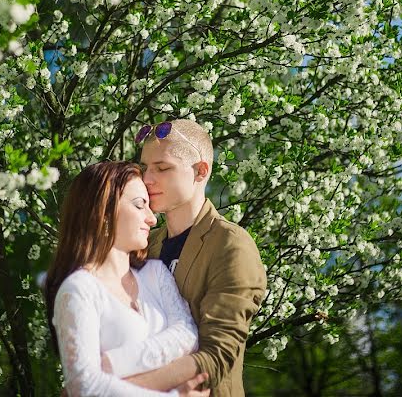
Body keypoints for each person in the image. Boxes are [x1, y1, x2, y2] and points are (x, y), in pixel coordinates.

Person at [44, 161, 211, 397]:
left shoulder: (155, 274)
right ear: (103, 214)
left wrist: (111, 364)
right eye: (139, 205)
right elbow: (85, 387)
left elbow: (188, 335)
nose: (152, 219)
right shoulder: (79, 289)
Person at [128, 119, 268, 396]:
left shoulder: (231, 245)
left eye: (163, 167)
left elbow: (217, 355)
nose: (147, 179)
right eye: (145, 167)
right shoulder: (145, 244)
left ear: (200, 171)